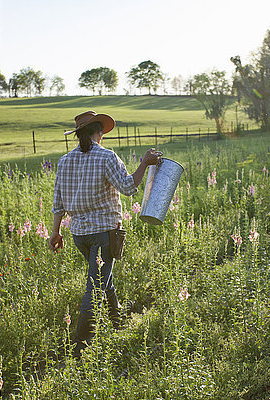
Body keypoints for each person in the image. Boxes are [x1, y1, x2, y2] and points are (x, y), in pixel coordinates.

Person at [49, 110, 161, 357]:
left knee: (101, 276)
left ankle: (117, 316)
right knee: (96, 285)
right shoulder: (106, 157)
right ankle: (81, 344)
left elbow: (58, 203)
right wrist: (144, 163)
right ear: (98, 133)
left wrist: (55, 233)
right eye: (102, 131)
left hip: (78, 235)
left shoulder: (64, 161)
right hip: (104, 233)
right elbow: (128, 187)